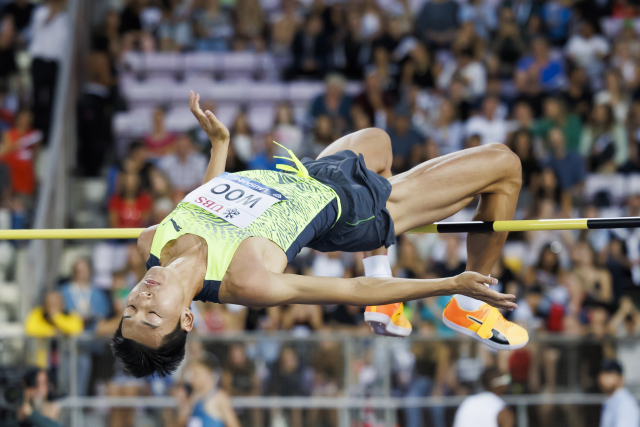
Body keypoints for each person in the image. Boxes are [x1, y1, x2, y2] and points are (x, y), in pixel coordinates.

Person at [111, 91, 527, 378]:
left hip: (308, 174)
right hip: (353, 211)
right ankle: (469, 306)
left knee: (378, 142)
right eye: (153, 316)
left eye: (130, 311)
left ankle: (385, 287)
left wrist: (220, 146)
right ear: (186, 318)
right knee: (504, 165)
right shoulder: (244, 280)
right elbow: (351, 290)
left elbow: (205, 207)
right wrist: (449, 283)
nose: (142, 302)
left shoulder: (151, 241)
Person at [168, 356, 241, 427]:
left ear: (207, 372)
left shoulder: (219, 397)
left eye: (196, 373)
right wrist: (183, 413)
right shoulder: (193, 398)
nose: (192, 379)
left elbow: (233, 424)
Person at [599, 359, 640, 427]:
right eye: (602, 373)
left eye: (609, 374)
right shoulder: (611, 400)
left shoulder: (625, 403)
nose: (603, 378)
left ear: (620, 377)